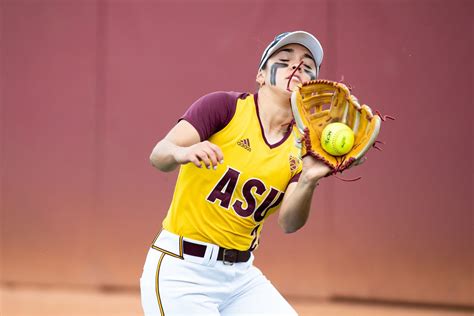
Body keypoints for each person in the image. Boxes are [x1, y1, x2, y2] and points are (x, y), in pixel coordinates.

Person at [140, 31, 331, 316]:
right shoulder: (225, 108)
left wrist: (308, 180)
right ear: (261, 75)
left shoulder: (302, 146)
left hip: (240, 277)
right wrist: (181, 152)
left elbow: (290, 223)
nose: (296, 68)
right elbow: (159, 156)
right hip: (182, 270)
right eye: (285, 59)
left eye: (306, 67)